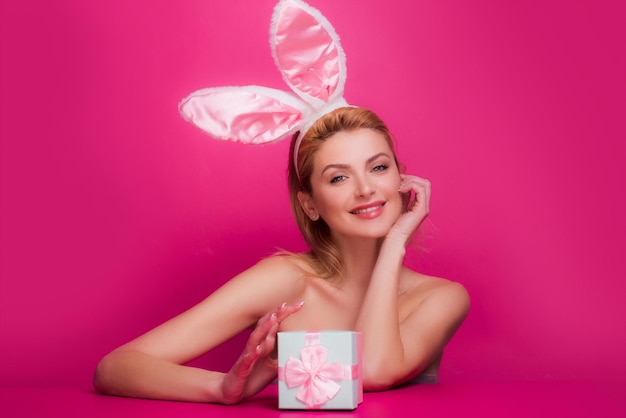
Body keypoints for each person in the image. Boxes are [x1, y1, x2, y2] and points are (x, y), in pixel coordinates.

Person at [93, 106, 470, 404]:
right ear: (310, 205)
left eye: (379, 167)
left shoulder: (443, 298)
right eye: (339, 177)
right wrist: (222, 389)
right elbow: (116, 368)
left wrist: (395, 241)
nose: (366, 189)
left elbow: (371, 370)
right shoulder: (284, 281)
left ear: (402, 181)